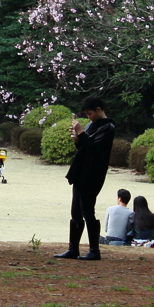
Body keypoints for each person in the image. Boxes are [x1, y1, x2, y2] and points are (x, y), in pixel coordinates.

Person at [54, 96, 116, 261]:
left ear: (98, 109)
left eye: (90, 113)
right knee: (75, 211)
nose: (89, 117)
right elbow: (83, 146)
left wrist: (81, 132)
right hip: (81, 172)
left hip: (93, 173)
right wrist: (77, 138)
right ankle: (73, 248)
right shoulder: (92, 125)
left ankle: (94, 250)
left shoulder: (108, 127)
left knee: (88, 211)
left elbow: (94, 150)